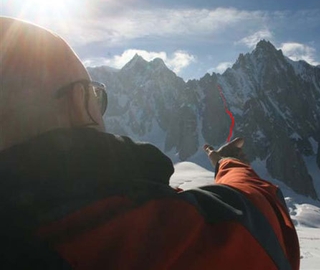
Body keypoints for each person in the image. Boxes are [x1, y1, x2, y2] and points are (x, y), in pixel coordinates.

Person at [0, 17, 300, 270]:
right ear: (78, 103)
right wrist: (230, 163)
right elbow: (258, 221)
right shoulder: (124, 233)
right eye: (93, 95)